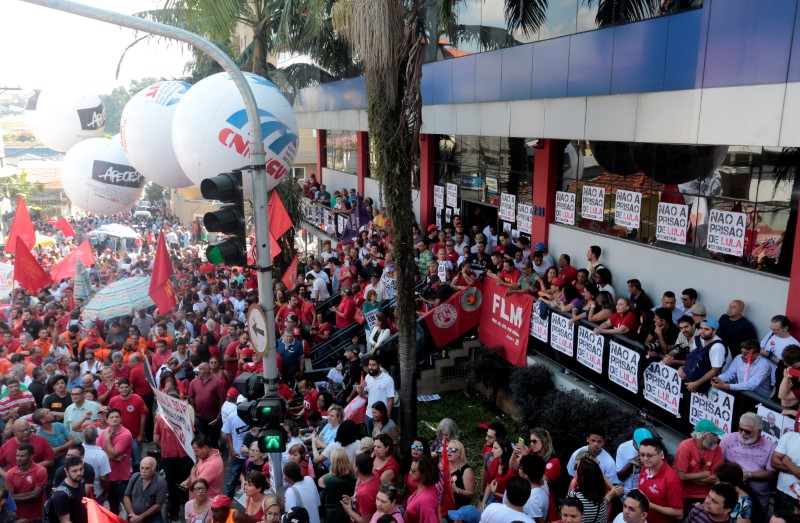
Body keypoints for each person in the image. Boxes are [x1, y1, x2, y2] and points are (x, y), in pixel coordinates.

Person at [674, 419, 725, 513]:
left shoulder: (717, 449)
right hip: (685, 495)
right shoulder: (685, 446)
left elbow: (716, 477)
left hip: (707, 496)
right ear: (703, 436)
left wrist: (689, 478)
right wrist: (704, 474)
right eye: (714, 435)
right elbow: (681, 476)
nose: (717, 438)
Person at [636, 438, 683, 523]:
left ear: (661, 455)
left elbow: (679, 513)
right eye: (642, 455)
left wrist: (652, 506)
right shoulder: (646, 467)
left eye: (649, 455)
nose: (645, 459)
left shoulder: (671, 479)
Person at [101, 407, 133, 513]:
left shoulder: (126, 434)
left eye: (117, 417)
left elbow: (114, 453)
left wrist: (107, 440)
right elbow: (99, 454)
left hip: (121, 477)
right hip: (107, 477)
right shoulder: (104, 433)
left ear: (121, 419)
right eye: (111, 417)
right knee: (113, 508)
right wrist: (112, 457)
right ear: (107, 420)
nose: (114, 419)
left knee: (129, 508)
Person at [6, 443, 47, 521]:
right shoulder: (10, 473)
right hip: (18, 516)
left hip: (37, 515)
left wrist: (14, 497)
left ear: (31, 457)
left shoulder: (41, 471)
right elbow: (10, 496)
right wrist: (30, 493)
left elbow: (35, 496)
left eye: (22, 456)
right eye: (17, 456)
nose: (18, 458)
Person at [188, 362, 226, 447]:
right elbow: (191, 398)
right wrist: (193, 412)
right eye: (198, 369)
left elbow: (222, 398)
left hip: (214, 417)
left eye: (201, 369)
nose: (199, 371)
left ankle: (215, 452)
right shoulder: (194, 382)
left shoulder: (217, 382)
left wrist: (219, 412)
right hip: (199, 416)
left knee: (214, 438)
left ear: (208, 370)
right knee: (202, 438)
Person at [123, 456, 167, 523]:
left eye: (147, 468)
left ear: (153, 469)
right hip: (133, 515)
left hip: (152, 516)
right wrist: (132, 515)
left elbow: (158, 505)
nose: (143, 471)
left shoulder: (160, 481)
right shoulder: (135, 477)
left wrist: (140, 518)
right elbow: (126, 496)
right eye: (142, 468)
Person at [318, 448, 356, 523]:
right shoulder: (352, 473)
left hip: (332, 511)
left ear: (334, 463)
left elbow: (320, 482)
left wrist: (331, 472)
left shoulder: (330, 479)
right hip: (346, 510)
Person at [181, 434, 224, 500]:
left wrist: (192, 473)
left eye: (196, 451)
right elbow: (196, 470)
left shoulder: (212, 465)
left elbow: (197, 485)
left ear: (205, 448)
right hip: (197, 502)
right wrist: (187, 481)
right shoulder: (205, 455)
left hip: (205, 504)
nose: (195, 454)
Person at [340, 452, 380, 523]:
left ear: (357, 469)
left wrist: (349, 510)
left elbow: (365, 521)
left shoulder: (365, 493)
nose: (352, 465)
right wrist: (352, 500)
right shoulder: (374, 474)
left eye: (354, 464)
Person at [770, 426, 800, 513]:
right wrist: (796, 470)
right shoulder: (789, 436)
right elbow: (773, 462)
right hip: (781, 491)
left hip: (797, 499)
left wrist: (786, 461)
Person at [615, 428, 653, 496]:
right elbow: (620, 477)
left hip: (645, 492)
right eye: (641, 446)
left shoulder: (654, 450)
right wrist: (632, 462)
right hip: (627, 491)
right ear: (633, 440)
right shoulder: (623, 448)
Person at [51, 455, 88, 523]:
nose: (79, 473)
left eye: (81, 469)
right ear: (66, 471)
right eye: (74, 471)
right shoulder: (61, 495)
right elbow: (65, 521)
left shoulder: (81, 481)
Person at [513, 453, 549, 523]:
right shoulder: (543, 481)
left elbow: (539, 521)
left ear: (526, 474)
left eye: (520, 467)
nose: (518, 469)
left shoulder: (532, 499)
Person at [405, 455, 440, 523]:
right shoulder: (428, 486)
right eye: (410, 469)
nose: (410, 473)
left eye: (413, 471)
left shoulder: (426, 500)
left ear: (424, 473)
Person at [482, 438, 515, 506]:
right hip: (493, 497)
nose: (492, 450)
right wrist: (483, 502)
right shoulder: (494, 462)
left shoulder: (511, 472)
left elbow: (512, 498)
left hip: (505, 504)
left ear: (504, 449)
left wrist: (494, 492)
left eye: (495, 448)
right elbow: (489, 484)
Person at [447, 439, 476, 509]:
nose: (449, 451)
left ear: (460, 453)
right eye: (448, 449)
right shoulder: (442, 467)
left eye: (453, 449)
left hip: (460, 510)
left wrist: (456, 490)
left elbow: (471, 494)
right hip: (444, 508)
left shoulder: (466, 471)